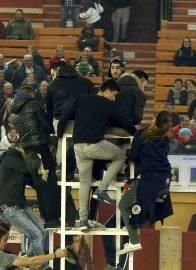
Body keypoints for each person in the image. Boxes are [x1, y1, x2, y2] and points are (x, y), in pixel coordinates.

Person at [57, 79, 136, 232]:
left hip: (78, 147)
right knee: (120, 156)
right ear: (106, 91)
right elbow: (124, 123)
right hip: (95, 144)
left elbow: (65, 116)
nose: (114, 98)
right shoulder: (108, 105)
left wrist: (60, 133)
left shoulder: (81, 100)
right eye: (113, 95)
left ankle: (83, 220)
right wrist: (137, 133)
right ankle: (102, 189)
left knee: (85, 183)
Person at [116, 110, 175, 255]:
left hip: (149, 179)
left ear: (155, 119)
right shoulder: (165, 139)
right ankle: (132, 229)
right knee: (141, 206)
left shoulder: (142, 134)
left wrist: (129, 151)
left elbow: (134, 155)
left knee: (123, 205)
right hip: (164, 179)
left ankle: (134, 240)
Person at [9, 84, 59, 227]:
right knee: (48, 183)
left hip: (28, 152)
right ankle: (52, 218)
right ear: (29, 94)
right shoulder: (33, 104)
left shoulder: (12, 112)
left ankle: (46, 218)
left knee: (39, 184)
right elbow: (47, 126)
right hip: (41, 149)